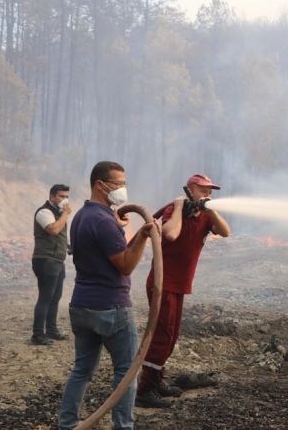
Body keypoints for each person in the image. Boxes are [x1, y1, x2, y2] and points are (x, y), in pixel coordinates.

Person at [58, 161, 158, 430]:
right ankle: (123, 426)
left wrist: (119, 226)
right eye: (119, 184)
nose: (123, 189)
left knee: (82, 370)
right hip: (111, 308)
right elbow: (125, 264)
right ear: (100, 185)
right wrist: (142, 237)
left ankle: (67, 424)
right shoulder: (103, 222)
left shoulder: (82, 216)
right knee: (126, 372)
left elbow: (102, 248)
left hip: (82, 305)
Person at [135, 174, 230, 408]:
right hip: (161, 284)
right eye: (204, 190)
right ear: (190, 189)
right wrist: (178, 207)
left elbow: (226, 232)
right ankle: (144, 390)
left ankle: (156, 381)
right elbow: (170, 234)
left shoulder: (207, 215)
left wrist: (212, 209)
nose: (208, 194)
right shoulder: (172, 211)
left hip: (179, 285)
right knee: (161, 337)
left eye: (211, 191)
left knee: (170, 336)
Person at [31, 183, 72, 346]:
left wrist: (68, 247)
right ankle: (37, 335)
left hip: (56, 260)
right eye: (62, 196)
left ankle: (52, 330)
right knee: (45, 298)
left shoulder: (59, 213)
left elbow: (59, 237)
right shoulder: (44, 212)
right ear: (52, 196)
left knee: (55, 298)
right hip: (45, 260)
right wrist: (66, 214)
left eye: (67, 196)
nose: (65, 200)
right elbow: (53, 230)